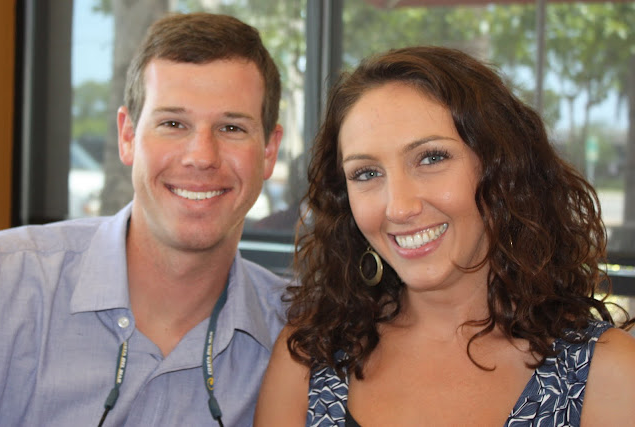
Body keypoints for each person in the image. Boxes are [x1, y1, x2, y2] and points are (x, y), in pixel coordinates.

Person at [254, 46, 635, 426]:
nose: (399, 208)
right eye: (366, 173)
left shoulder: (604, 372)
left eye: (431, 158)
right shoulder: (311, 357)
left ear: (504, 170)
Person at [0, 12, 287, 426]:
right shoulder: (8, 288)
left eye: (231, 128)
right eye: (173, 123)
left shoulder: (300, 338)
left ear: (270, 152)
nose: (202, 156)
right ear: (127, 136)